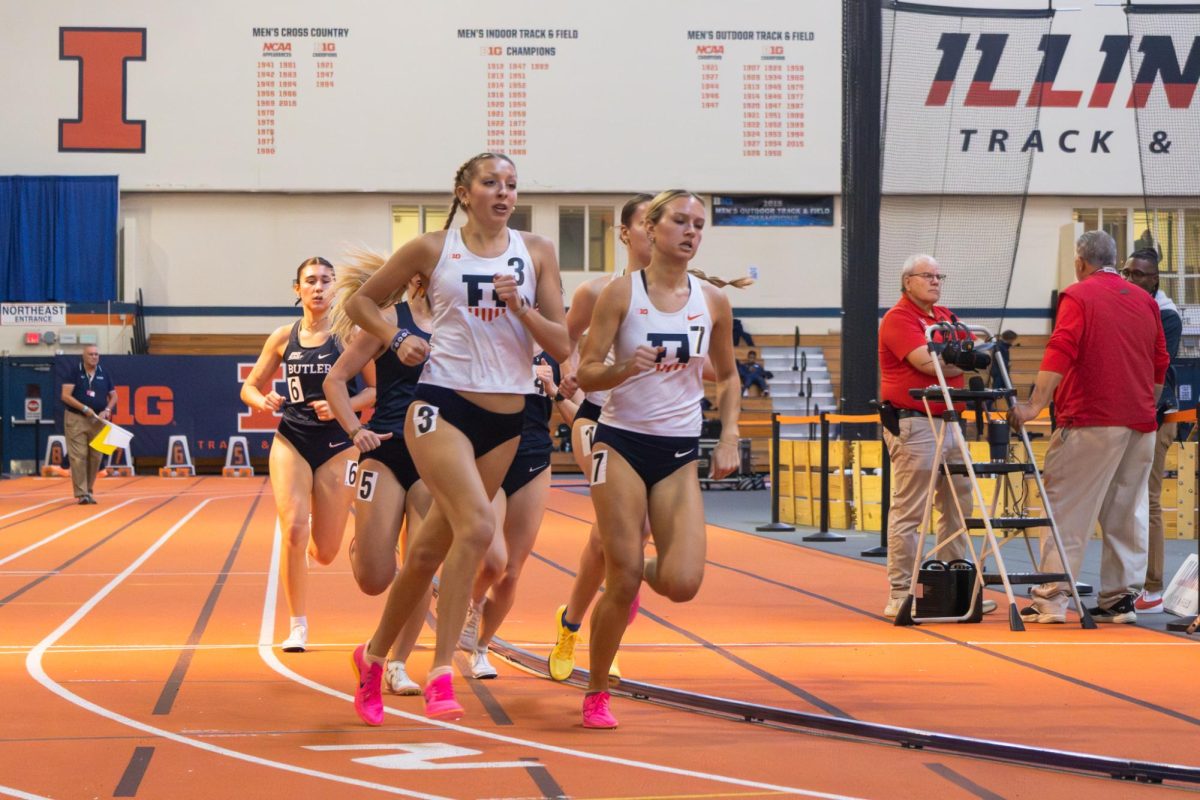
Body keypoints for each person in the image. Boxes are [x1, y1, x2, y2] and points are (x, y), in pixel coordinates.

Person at [345, 152, 568, 724]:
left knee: (425, 553)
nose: (503, 193)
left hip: (508, 416)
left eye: (512, 184)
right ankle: (443, 670)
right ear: (465, 193)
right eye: (490, 183)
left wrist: (520, 306)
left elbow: (562, 346)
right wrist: (395, 341)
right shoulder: (432, 248)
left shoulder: (537, 252)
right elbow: (360, 301)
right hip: (440, 405)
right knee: (477, 524)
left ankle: (372, 658)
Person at [575, 189, 742, 729]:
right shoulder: (622, 294)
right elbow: (586, 372)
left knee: (683, 582)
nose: (691, 231)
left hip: (677, 451)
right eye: (680, 221)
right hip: (620, 441)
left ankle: (631, 563)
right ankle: (597, 691)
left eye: (699, 224)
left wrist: (731, 434)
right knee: (622, 579)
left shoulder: (712, 300)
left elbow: (729, 374)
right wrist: (625, 366)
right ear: (651, 227)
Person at [1011, 231, 1168, 624]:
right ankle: (1120, 599)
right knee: (1127, 512)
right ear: (1115, 261)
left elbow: (1061, 348)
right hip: (1141, 423)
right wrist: (1144, 402)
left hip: (1091, 420)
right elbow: (1160, 361)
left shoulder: (1078, 296)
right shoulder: (1145, 302)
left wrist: (1034, 405)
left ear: (1080, 263)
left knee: (1067, 509)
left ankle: (1051, 597)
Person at [241, 256, 376, 653]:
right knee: (294, 530)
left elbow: (377, 392)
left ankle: (328, 527)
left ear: (335, 290)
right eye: (311, 281)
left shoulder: (350, 337)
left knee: (326, 551)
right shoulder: (283, 337)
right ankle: (297, 624)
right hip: (292, 440)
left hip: (339, 445)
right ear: (297, 289)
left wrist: (342, 405)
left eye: (326, 281)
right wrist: (262, 399)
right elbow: (249, 386)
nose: (319, 288)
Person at [549, 193, 654, 684]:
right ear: (625, 232)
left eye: (665, 222)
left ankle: (572, 620)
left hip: (655, 425)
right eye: (648, 223)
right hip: (599, 420)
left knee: (617, 540)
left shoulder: (686, 293)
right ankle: (587, 636)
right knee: (621, 538)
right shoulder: (598, 291)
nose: (658, 231)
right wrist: (566, 382)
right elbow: (563, 341)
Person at [325, 258, 434, 696]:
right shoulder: (389, 321)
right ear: (411, 277)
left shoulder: (465, 326)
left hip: (438, 458)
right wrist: (355, 429)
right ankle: (363, 541)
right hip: (387, 450)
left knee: (422, 566)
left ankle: (396, 662)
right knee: (375, 578)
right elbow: (336, 380)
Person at [878, 254, 997, 619]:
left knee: (959, 506)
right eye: (926, 275)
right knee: (910, 510)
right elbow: (927, 363)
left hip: (952, 420)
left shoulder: (945, 316)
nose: (935, 281)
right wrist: (962, 358)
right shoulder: (897, 319)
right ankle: (900, 592)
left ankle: (954, 589)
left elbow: (977, 354)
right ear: (907, 281)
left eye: (938, 275)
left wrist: (958, 357)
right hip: (915, 422)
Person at [460, 350, 579, 680]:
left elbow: (579, 416)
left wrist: (554, 389)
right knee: (492, 561)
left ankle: (482, 647)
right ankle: (471, 605)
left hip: (534, 459)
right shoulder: (489, 338)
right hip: (490, 456)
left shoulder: (555, 353)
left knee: (512, 571)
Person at [1120, 248, 1182, 615]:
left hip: (1159, 417)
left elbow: (1155, 362)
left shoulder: (1167, 315)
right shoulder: (1130, 305)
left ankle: (1154, 587)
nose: (1129, 278)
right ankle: (1128, 582)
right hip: (1130, 412)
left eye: (1138, 273)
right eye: (1126, 272)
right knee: (1127, 501)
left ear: (1154, 278)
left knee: (1150, 499)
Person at [59, 344, 117, 504]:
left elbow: (114, 396)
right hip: (76, 418)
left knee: (96, 457)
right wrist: (84, 408)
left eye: (97, 354)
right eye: (91, 354)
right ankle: (82, 493)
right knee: (79, 457)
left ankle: (88, 491)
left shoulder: (104, 373)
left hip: (98, 420)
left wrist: (107, 409)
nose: (94, 357)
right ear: (83, 356)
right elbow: (65, 395)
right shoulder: (74, 372)